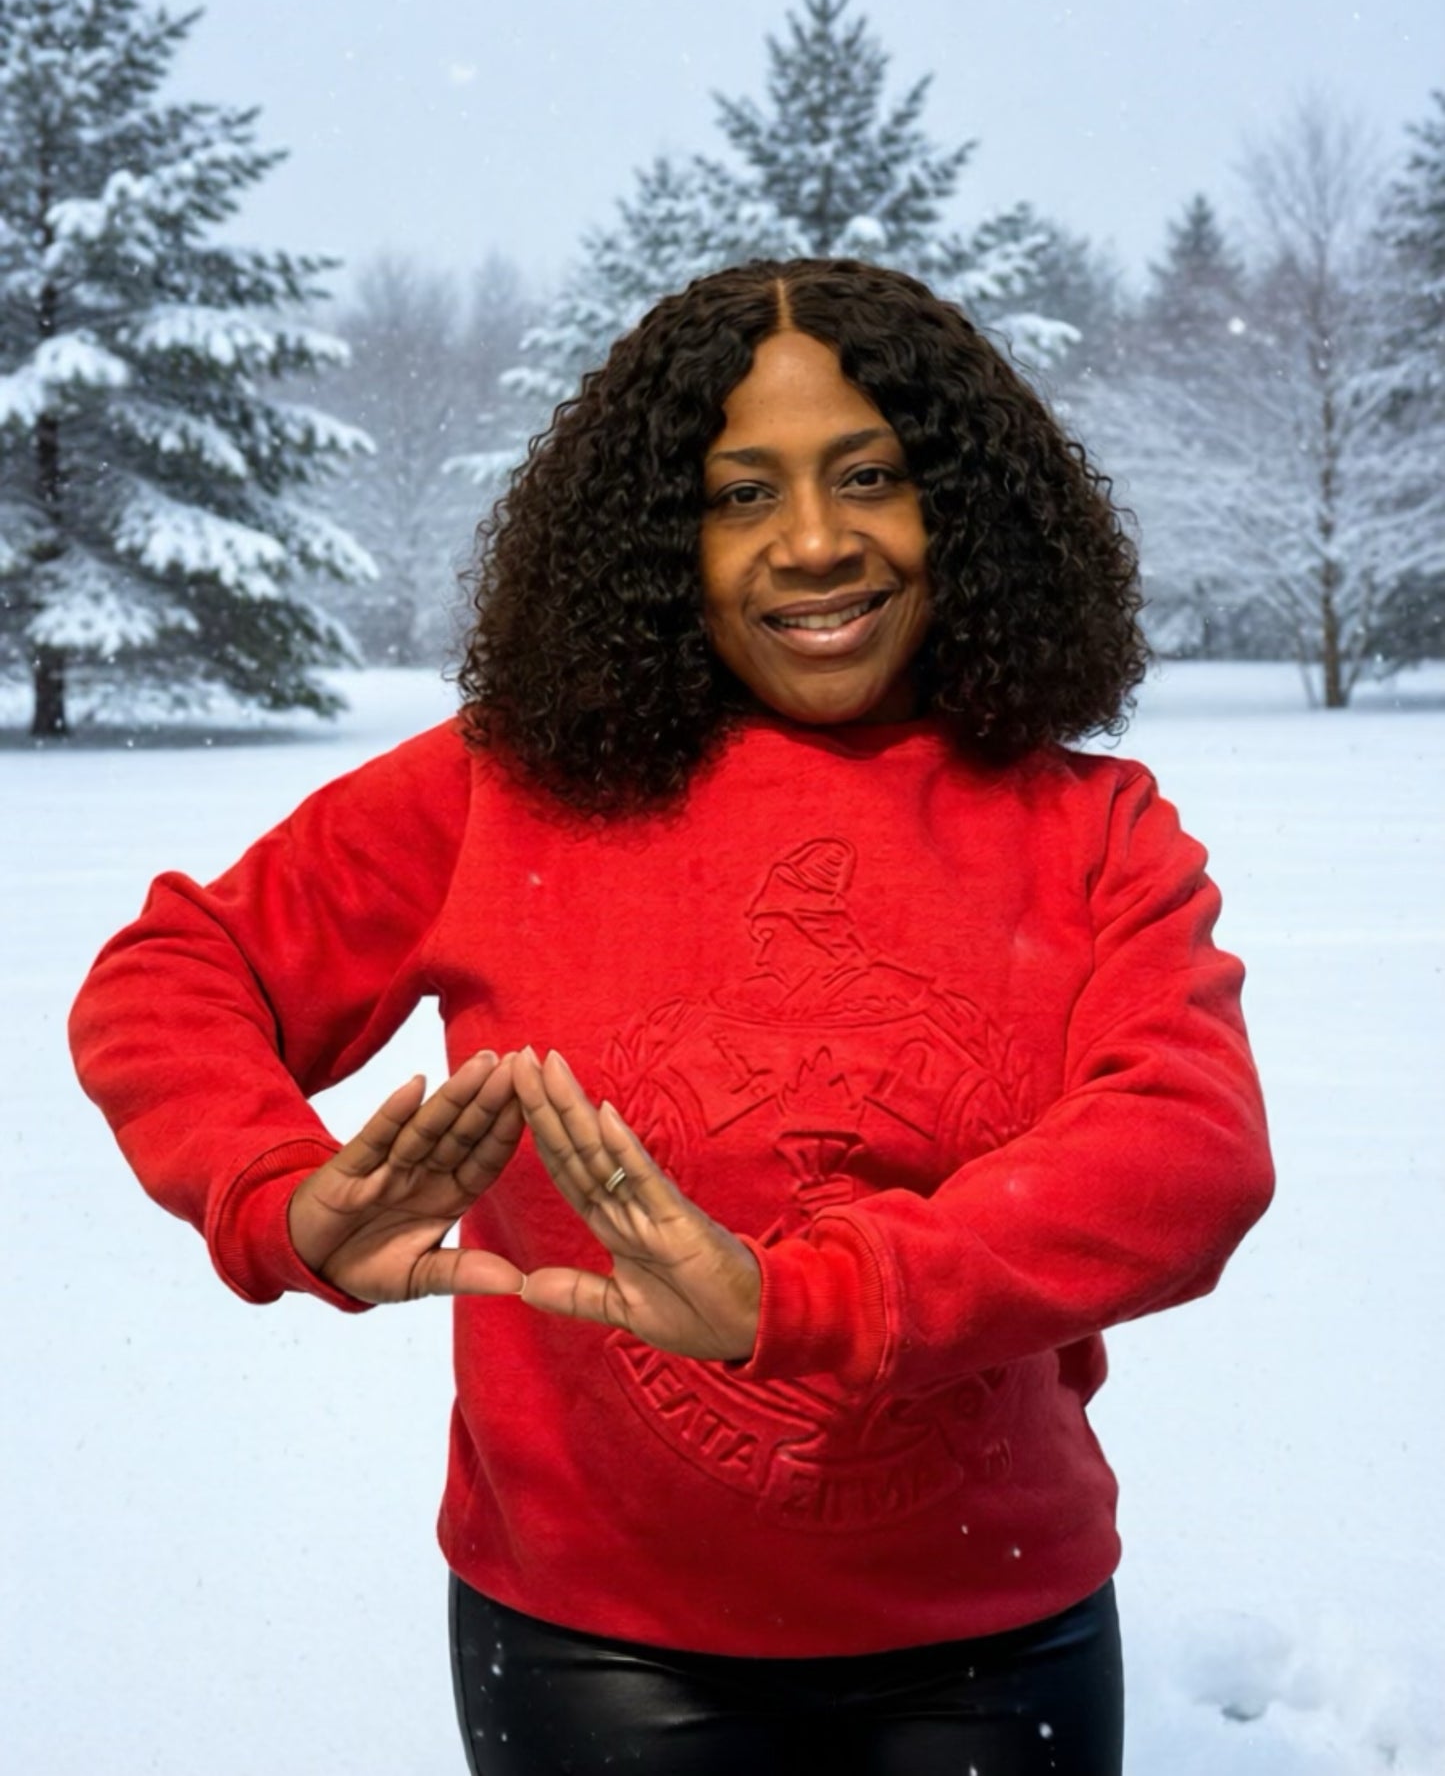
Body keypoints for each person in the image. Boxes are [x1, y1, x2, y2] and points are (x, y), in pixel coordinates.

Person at [69, 256, 1274, 1775]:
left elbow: (1187, 1150)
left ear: (964, 510)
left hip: (992, 1628)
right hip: (596, 1640)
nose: (816, 542)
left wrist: (799, 1301)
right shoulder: (498, 790)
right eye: (739, 494)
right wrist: (271, 1193)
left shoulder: (1090, 827)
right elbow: (176, 972)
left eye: (870, 476)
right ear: (656, 540)